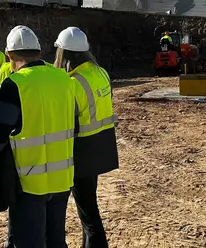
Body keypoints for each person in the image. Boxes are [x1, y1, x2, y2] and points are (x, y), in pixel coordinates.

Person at [0, 25, 77, 248]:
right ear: (39, 51)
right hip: (62, 180)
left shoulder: (15, 84)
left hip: (28, 183)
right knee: (56, 241)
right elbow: (73, 124)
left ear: (9, 55)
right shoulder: (64, 80)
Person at [54, 27, 119, 248]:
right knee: (89, 208)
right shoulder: (100, 72)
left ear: (64, 53)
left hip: (80, 152)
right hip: (100, 146)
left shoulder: (72, 83)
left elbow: (67, 123)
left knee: (89, 215)